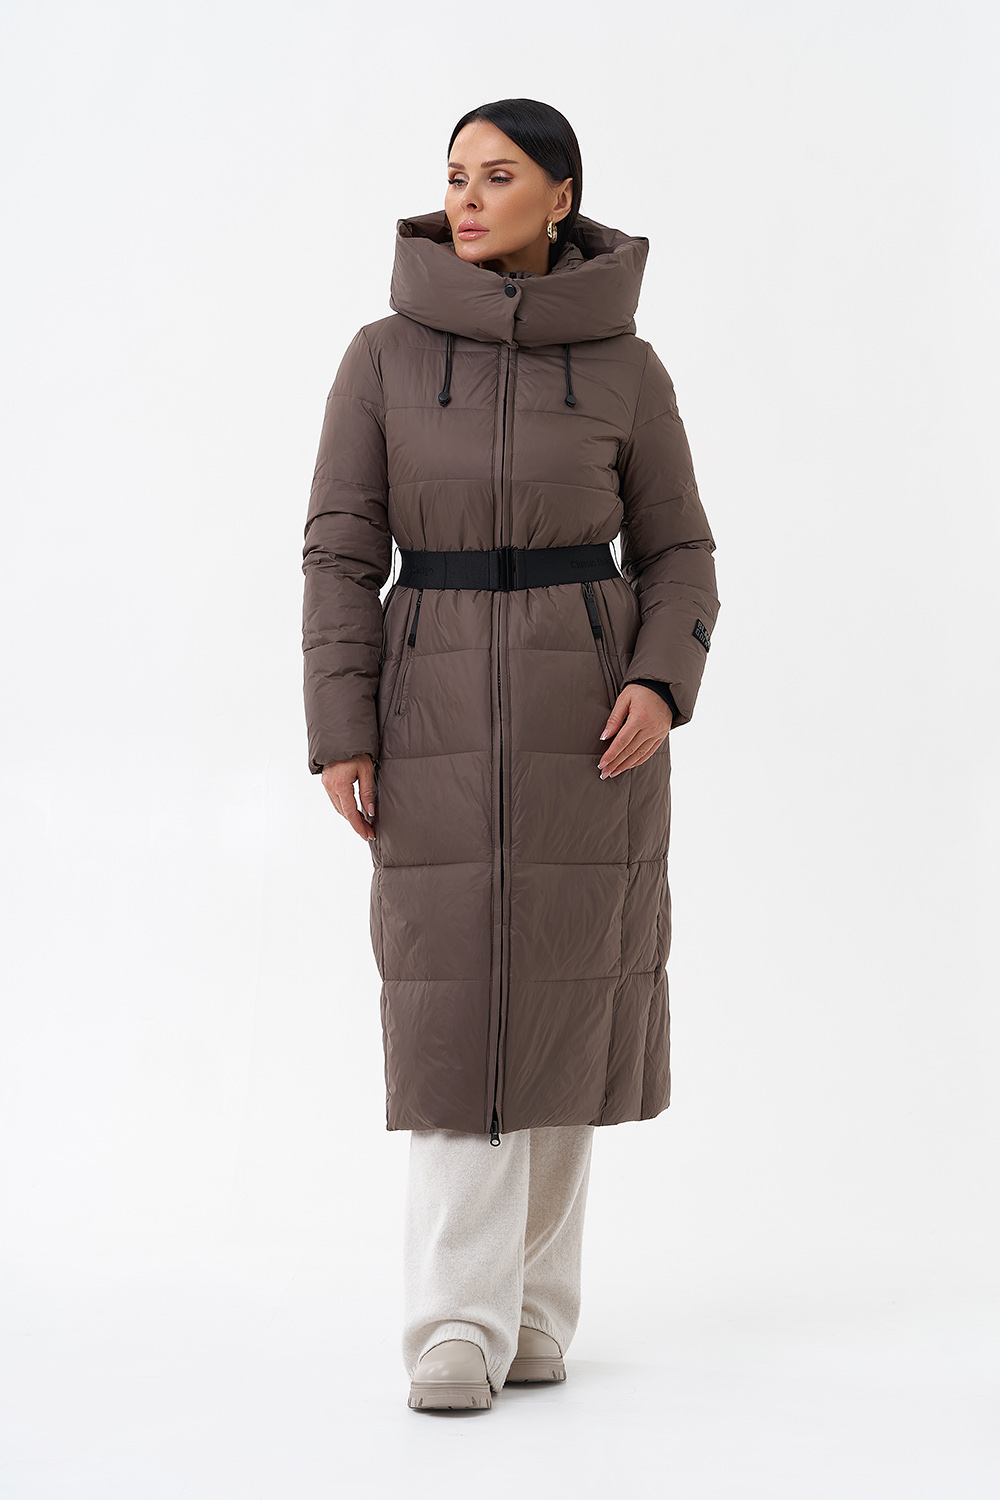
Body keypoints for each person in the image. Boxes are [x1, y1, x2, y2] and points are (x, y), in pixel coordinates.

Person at [301, 97, 720, 1413]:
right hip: (429, 713)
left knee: (562, 1006)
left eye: (497, 176)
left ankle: (534, 1314)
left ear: (562, 195)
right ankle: (453, 1327)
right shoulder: (382, 356)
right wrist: (341, 728)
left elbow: (680, 550)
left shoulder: (629, 368)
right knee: (453, 1013)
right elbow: (338, 554)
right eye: (453, 177)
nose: (467, 201)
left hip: (588, 726)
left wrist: (662, 680)